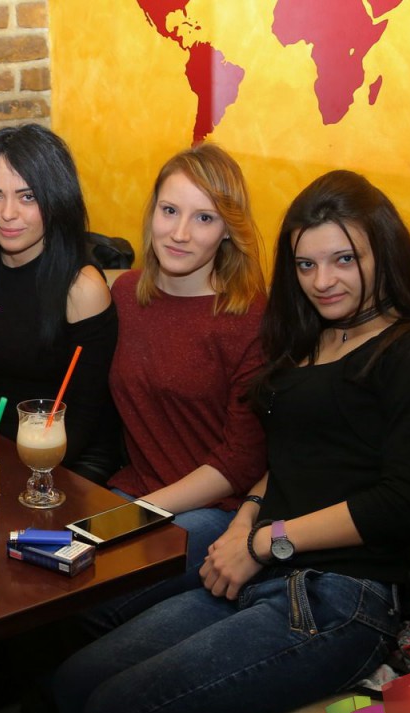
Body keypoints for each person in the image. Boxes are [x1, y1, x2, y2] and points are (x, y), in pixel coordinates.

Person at [51, 170, 410, 713]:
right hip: (261, 567)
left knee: (113, 704)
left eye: (344, 260)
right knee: (75, 679)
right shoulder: (311, 337)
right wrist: (244, 525)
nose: (322, 281)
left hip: (341, 596)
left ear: (383, 253)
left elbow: (397, 505)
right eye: (306, 265)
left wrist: (264, 542)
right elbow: (282, 461)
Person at [94, 142, 268, 626]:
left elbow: (242, 459)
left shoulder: (249, 317)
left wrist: (137, 513)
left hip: (214, 511)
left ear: (228, 231)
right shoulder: (124, 295)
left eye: (204, 218)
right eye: (169, 211)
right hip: (132, 491)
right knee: (40, 577)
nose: (180, 233)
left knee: (90, 597)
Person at [0, 124, 118, 483]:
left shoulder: (82, 289)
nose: (7, 213)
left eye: (28, 197)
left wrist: (24, 476)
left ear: (56, 200)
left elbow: (86, 413)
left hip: (73, 458)